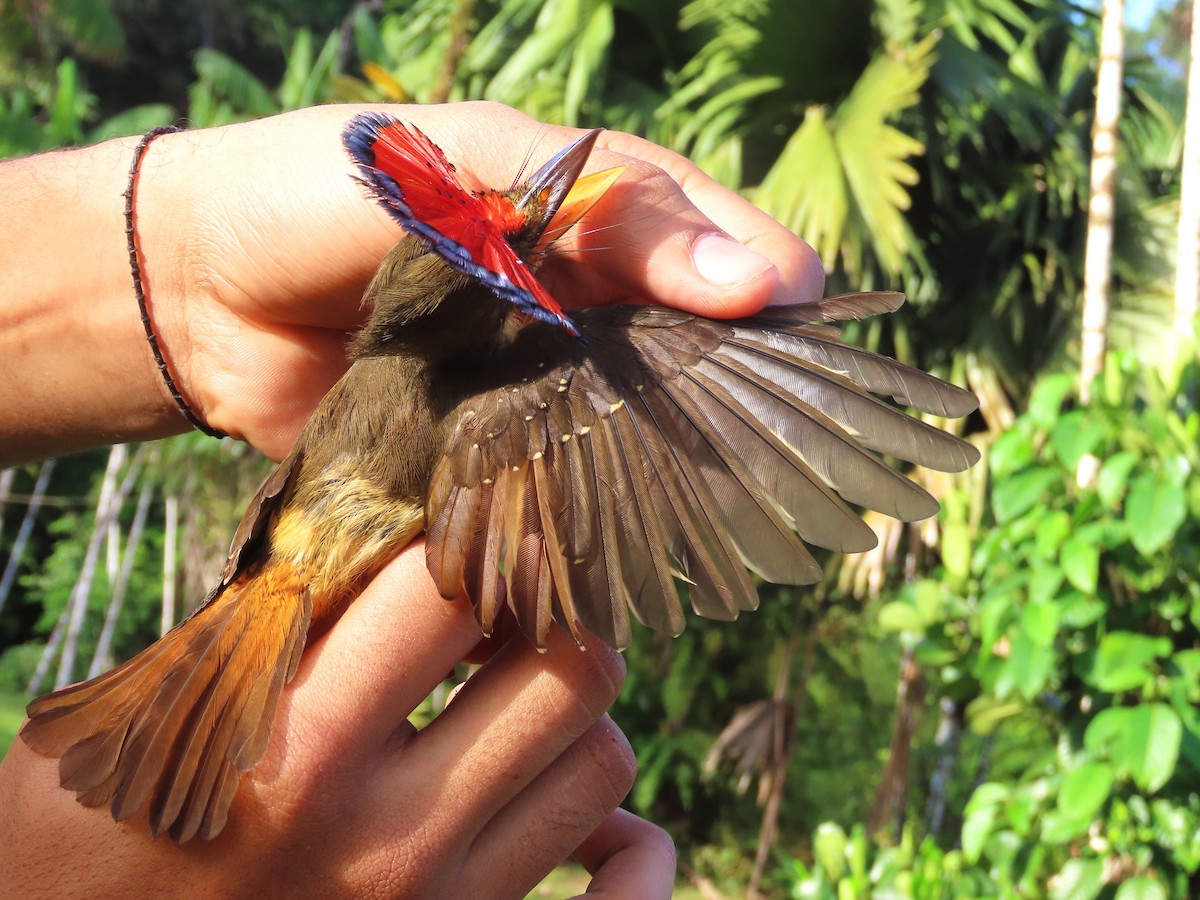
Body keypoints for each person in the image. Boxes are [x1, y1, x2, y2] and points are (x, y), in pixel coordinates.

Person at [0, 101, 825, 897]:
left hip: (265, 576)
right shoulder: (524, 387)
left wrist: (191, 277)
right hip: (303, 581)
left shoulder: (378, 370)